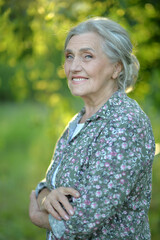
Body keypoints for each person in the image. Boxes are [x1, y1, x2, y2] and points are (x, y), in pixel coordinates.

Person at [29, 17, 155, 240]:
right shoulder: (79, 121)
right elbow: (49, 182)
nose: (74, 67)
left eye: (87, 56)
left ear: (116, 67)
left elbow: (84, 218)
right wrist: (45, 197)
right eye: (70, 56)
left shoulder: (125, 122)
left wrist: (38, 216)